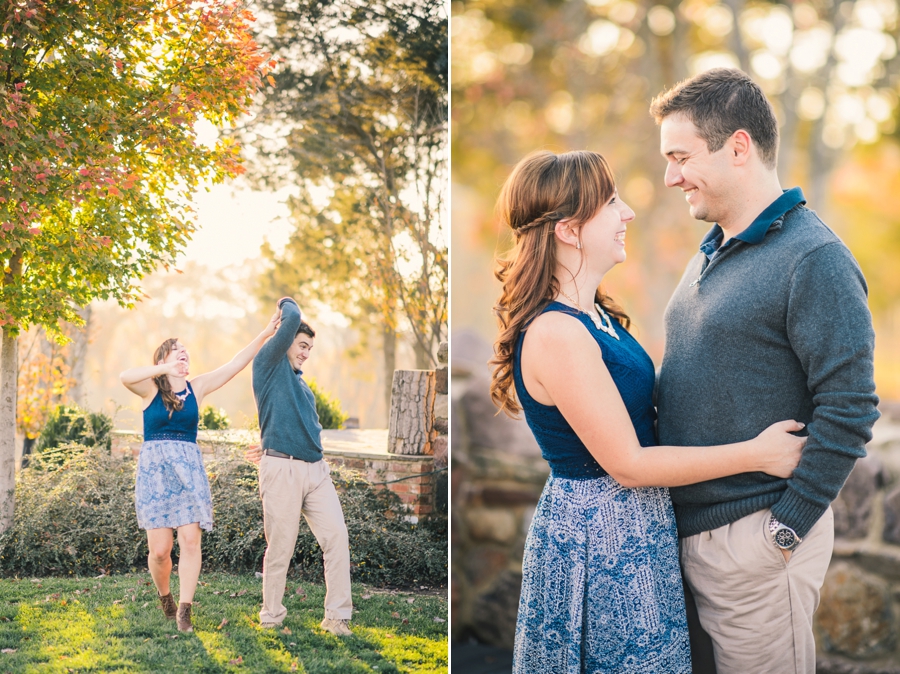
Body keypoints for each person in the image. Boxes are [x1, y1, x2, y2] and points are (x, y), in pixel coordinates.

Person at [489, 149, 808, 673]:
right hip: (601, 535)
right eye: (611, 202)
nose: (628, 212)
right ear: (569, 231)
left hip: (638, 524)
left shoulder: (594, 314)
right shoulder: (557, 334)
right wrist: (758, 454)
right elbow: (630, 464)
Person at [650, 68, 880, 674]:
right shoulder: (714, 249)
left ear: (739, 147)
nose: (669, 175)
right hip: (688, 539)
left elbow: (852, 407)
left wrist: (784, 531)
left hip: (755, 541)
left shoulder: (814, 258)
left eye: (680, 156)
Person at [120, 311, 280, 632]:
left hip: (188, 472)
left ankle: (184, 610)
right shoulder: (149, 389)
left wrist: (264, 333)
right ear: (163, 358)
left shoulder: (198, 387)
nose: (184, 351)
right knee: (160, 552)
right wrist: (165, 369)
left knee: (191, 542)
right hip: (156, 475)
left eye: (185, 349)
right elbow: (125, 376)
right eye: (175, 348)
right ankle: (165, 596)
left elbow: (236, 363)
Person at [243, 297, 353, 636]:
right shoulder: (268, 363)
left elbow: (304, 426)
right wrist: (281, 309)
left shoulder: (302, 386)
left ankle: (337, 618)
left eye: (310, 348)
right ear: (285, 339)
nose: (306, 352)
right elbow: (292, 313)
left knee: (337, 537)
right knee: (280, 549)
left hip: (316, 472)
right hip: (282, 472)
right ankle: (272, 617)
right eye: (302, 344)